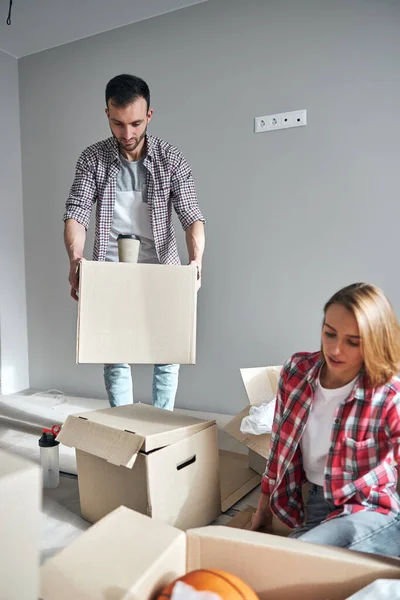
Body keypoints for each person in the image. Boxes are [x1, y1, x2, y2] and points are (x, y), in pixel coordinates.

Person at [63, 74, 205, 410]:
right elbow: (77, 212)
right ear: (107, 115)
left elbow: (191, 215)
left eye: (136, 123)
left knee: (168, 352)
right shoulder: (92, 158)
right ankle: (123, 423)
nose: (127, 134)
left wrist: (196, 262)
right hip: (110, 268)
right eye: (118, 123)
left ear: (149, 116)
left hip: (162, 267)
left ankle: (161, 424)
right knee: (114, 354)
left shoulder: (171, 159)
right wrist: (75, 258)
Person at [251, 282, 400, 556]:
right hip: (318, 503)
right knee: (292, 565)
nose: (336, 350)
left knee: (299, 555)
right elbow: (279, 444)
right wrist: (263, 505)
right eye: (329, 334)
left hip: (370, 509)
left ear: (376, 341)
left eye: (353, 342)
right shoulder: (296, 371)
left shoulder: (389, 394)